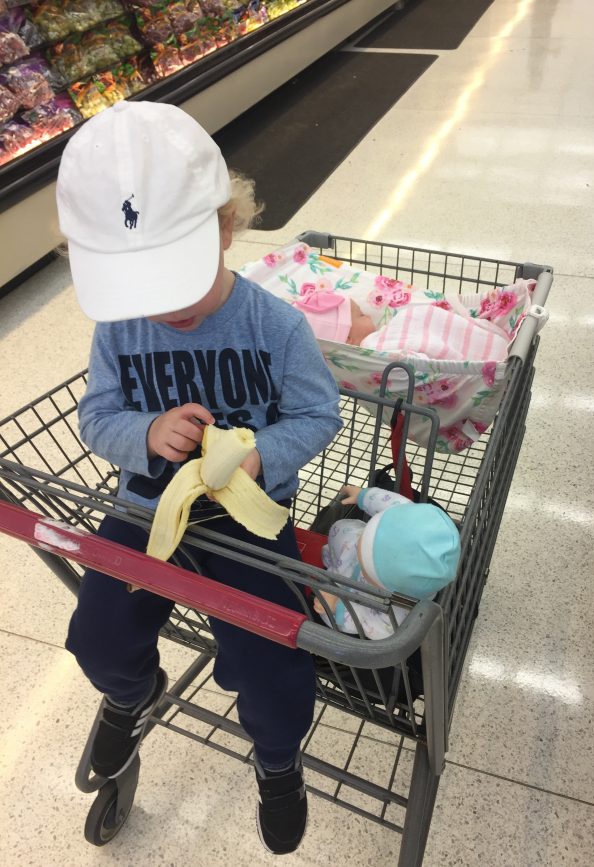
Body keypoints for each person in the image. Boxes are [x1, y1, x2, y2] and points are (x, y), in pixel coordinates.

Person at [55, 100, 342, 856]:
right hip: (145, 514)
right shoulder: (120, 326)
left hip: (247, 524)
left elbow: (319, 415)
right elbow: (95, 419)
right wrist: (147, 433)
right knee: (96, 633)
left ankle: (278, 760)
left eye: (171, 279)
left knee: (272, 665)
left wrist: (260, 457)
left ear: (225, 226)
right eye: (139, 286)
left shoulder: (275, 327)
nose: (162, 307)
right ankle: (132, 690)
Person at [314, 484, 460, 640]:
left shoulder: (396, 609)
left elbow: (372, 627)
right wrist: (363, 496)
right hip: (353, 552)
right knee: (343, 529)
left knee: (333, 619)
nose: (359, 549)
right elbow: (391, 502)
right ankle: (344, 554)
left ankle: (336, 573)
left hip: (357, 596)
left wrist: (337, 608)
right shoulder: (405, 516)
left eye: (366, 568)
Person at [293, 288, 511, 361]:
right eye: (360, 316)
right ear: (347, 340)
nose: (368, 315)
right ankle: (487, 347)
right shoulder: (373, 349)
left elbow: (427, 319)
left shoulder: (386, 331)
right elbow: (413, 355)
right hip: (490, 354)